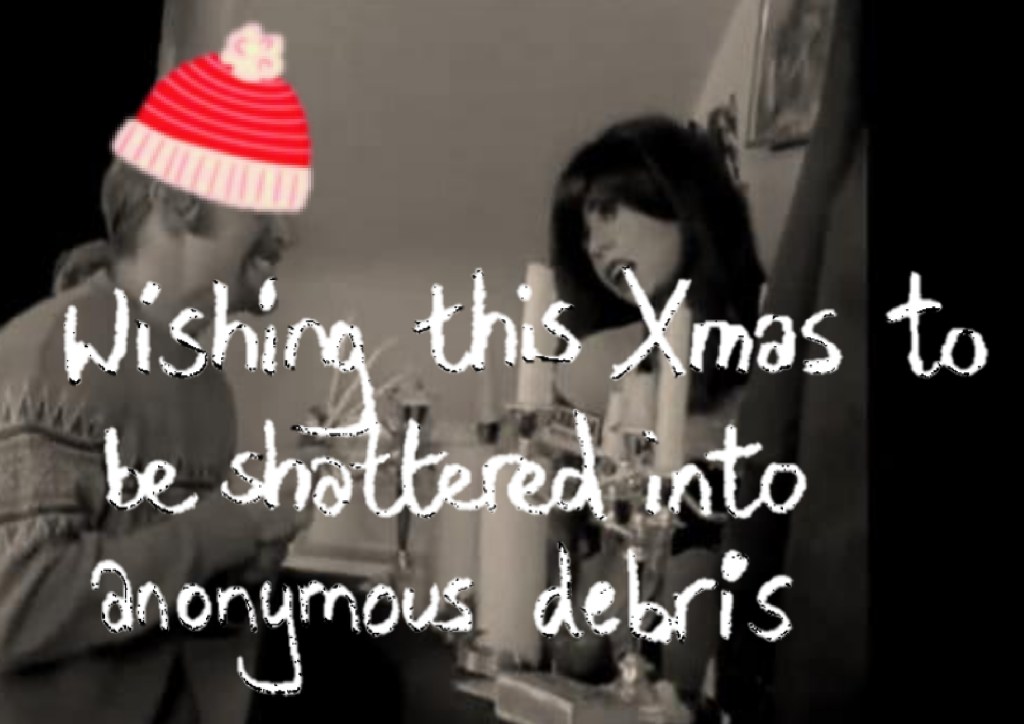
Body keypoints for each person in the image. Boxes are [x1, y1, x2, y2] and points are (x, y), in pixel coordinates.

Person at [0, 22, 314, 724]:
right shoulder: (50, 356)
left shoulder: (207, 388)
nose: (286, 235)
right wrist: (224, 530)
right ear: (179, 199)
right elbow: (16, 603)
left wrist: (240, 572)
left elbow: (151, 601)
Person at [542, 114, 766, 708]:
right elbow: (571, 615)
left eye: (608, 213)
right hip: (602, 668)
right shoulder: (591, 369)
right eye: (584, 230)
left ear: (681, 203)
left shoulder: (774, 361)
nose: (595, 246)